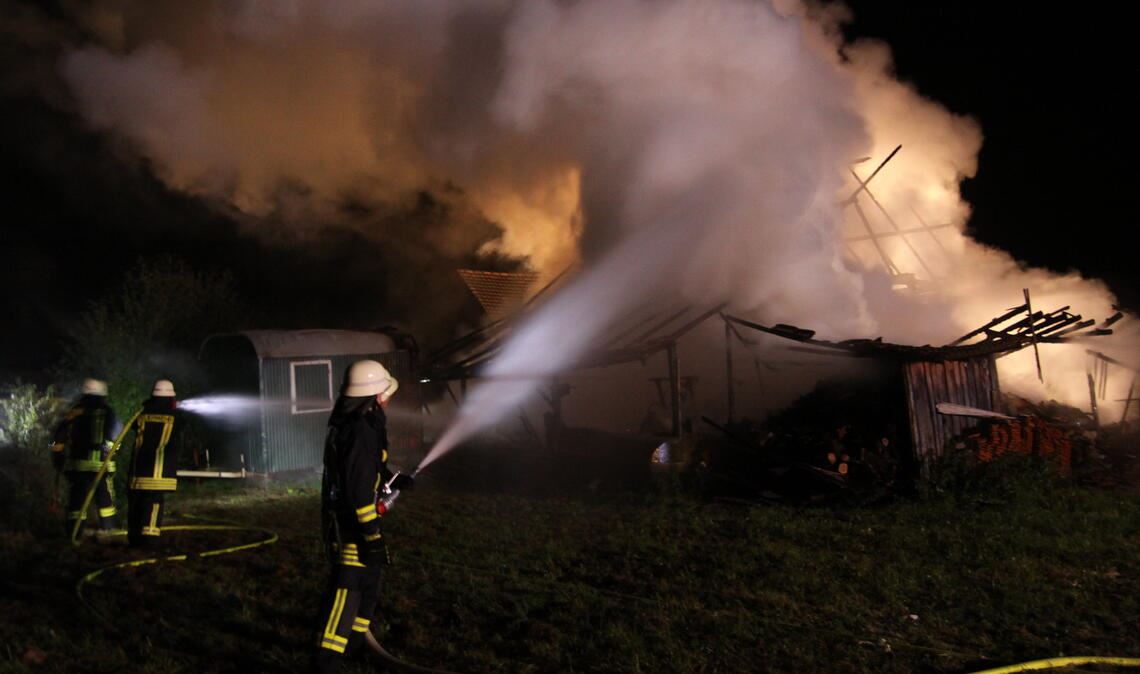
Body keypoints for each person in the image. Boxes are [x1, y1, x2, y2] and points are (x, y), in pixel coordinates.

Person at [315, 360, 412, 673]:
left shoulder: (361, 424)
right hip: (353, 527)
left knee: (369, 584)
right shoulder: (360, 431)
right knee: (348, 589)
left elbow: (368, 469)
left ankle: (356, 647)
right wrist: (370, 535)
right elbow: (358, 491)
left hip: (357, 521)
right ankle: (326, 661)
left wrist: (393, 478)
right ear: (376, 396)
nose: (389, 400)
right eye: (386, 394)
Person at [52, 378, 121, 536]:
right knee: (105, 500)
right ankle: (109, 529)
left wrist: (57, 455)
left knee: (76, 501)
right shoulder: (109, 412)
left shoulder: (73, 412)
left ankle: (74, 532)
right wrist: (108, 451)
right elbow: (116, 437)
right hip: (101, 467)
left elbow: (57, 436)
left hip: (77, 465)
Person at [126, 379, 182, 548]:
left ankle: (134, 538)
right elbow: (180, 427)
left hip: (139, 469)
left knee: (136, 502)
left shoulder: (141, 415)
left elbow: (133, 427)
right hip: (160, 469)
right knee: (154, 502)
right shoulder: (176, 417)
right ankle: (150, 539)